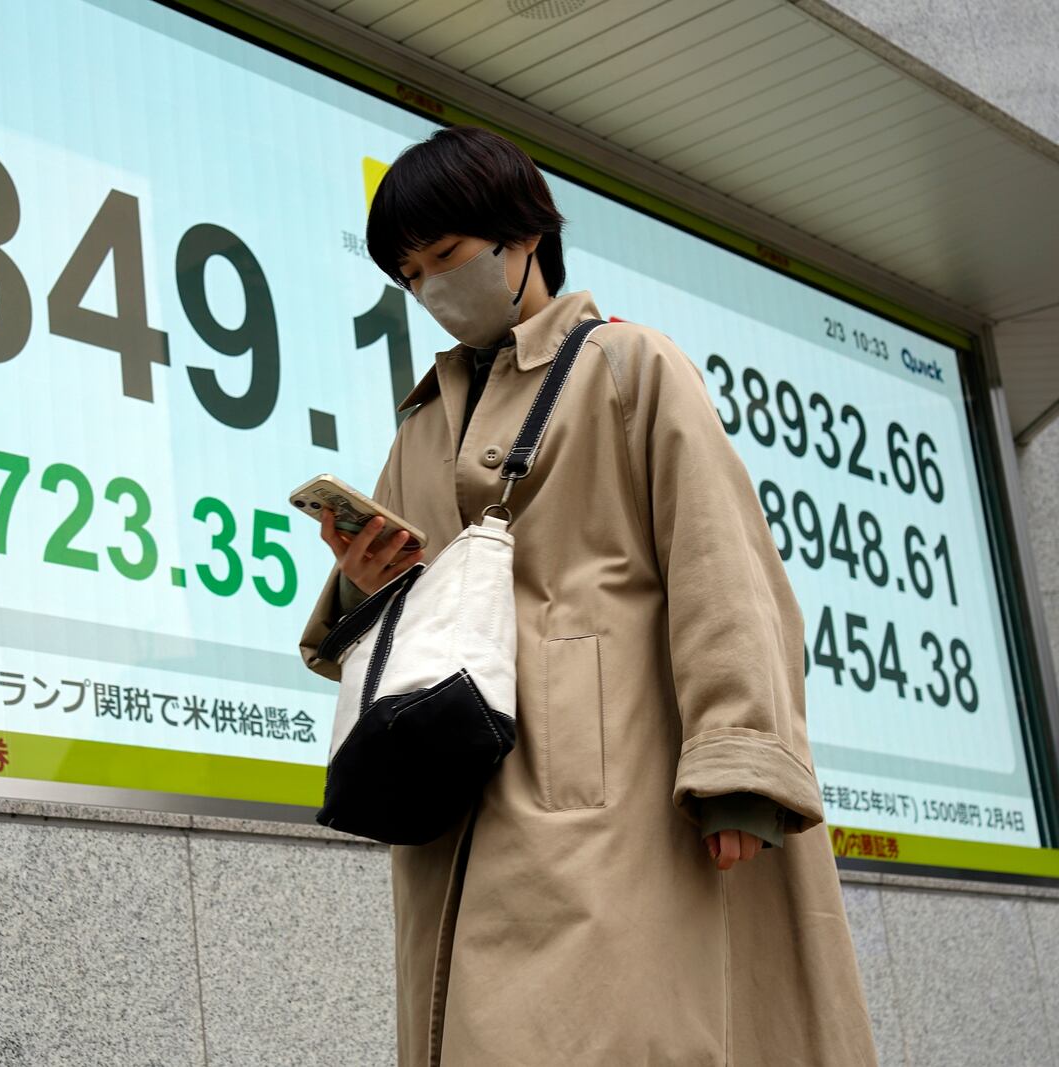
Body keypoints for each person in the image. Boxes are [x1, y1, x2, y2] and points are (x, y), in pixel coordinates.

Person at [297, 126, 878, 1066]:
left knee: (624, 1027)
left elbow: (721, 566)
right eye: (409, 274)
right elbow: (422, 606)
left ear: (522, 235)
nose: (431, 289)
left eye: (444, 254)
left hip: (619, 784)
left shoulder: (629, 365)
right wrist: (366, 581)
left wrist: (740, 769)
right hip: (463, 791)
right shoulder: (422, 418)